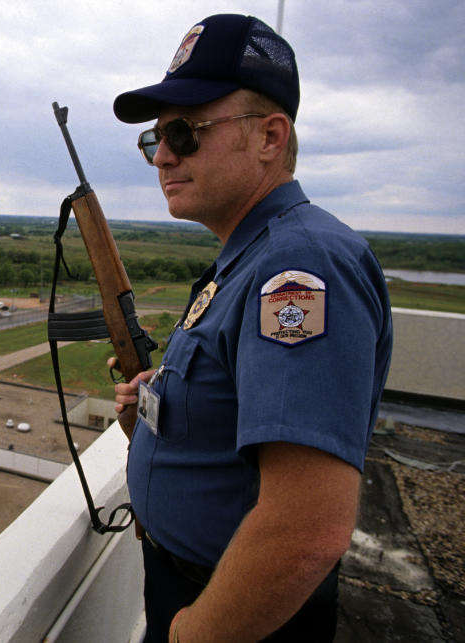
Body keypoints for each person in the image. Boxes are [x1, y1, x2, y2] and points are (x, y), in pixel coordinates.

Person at [108, 14, 393, 642]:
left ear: (269, 136)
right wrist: (162, 405)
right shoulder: (250, 255)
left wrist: (192, 635)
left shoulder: (298, 267)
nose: (162, 155)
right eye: (153, 138)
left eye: (184, 132)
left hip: (235, 611)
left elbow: (306, 530)